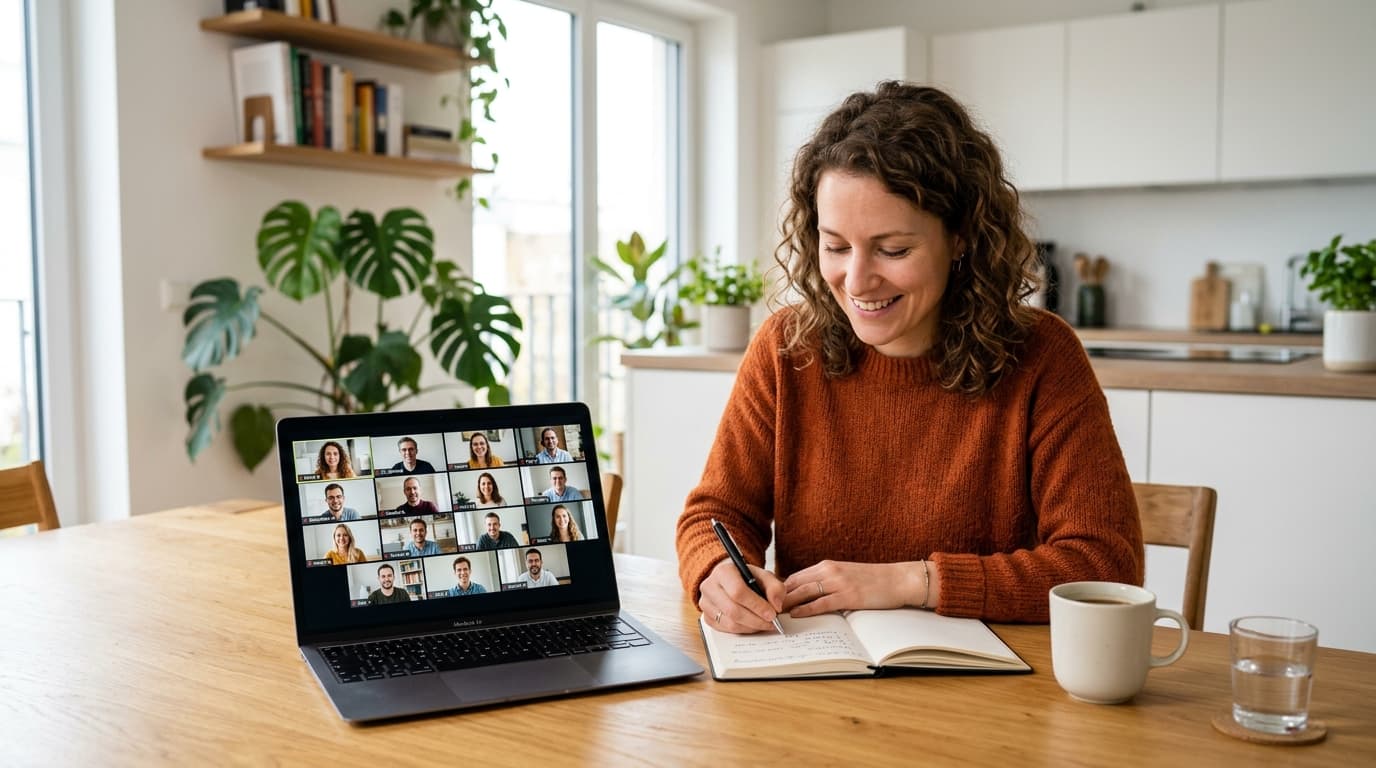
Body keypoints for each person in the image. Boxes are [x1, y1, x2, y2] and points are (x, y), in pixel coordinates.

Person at [675, 82, 1143, 635]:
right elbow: (714, 515)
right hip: (814, 685)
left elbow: (1105, 566)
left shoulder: (1043, 357)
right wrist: (716, 571)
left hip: (997, 701)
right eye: (835, 245)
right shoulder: (786, 347)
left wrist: (911, 582)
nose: (856, 280)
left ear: (962, 236)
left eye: (893, 250)